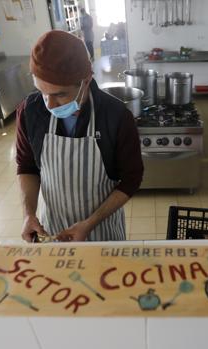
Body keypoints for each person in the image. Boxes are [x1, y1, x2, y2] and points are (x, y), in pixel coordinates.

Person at [16, 30, 143, 242]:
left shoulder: (116, 116)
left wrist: (89, 223)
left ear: (86, 80)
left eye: (60, 94)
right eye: (42, 92)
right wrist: (28, 213)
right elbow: (27, 166)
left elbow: (131, 179)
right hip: (52, 231)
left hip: (101, 231)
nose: (49, 105)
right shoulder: (30, 111)